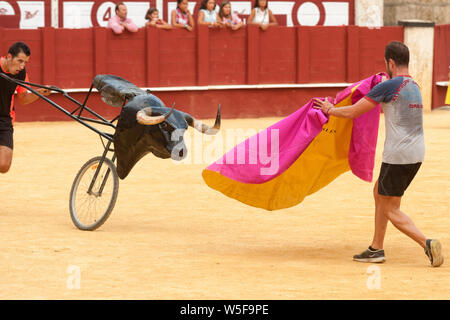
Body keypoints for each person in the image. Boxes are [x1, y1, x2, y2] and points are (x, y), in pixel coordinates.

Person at [313, 41, 443, 267]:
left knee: (390, 207)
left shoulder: (388, 87)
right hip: (416, 154)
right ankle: (376, 248)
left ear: (390, 62)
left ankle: (427, 243)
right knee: (380, 193)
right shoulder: (414, 85)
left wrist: (330, 109)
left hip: (397, 156)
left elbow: (354, 111)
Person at [0, 42, 51, 174]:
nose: (22, 66)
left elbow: (23, 98)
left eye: (25, 62)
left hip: (4, 119)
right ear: (9, 57)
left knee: (4, 165)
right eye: (19, 61)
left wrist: (40, 92)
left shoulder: (21, 74)